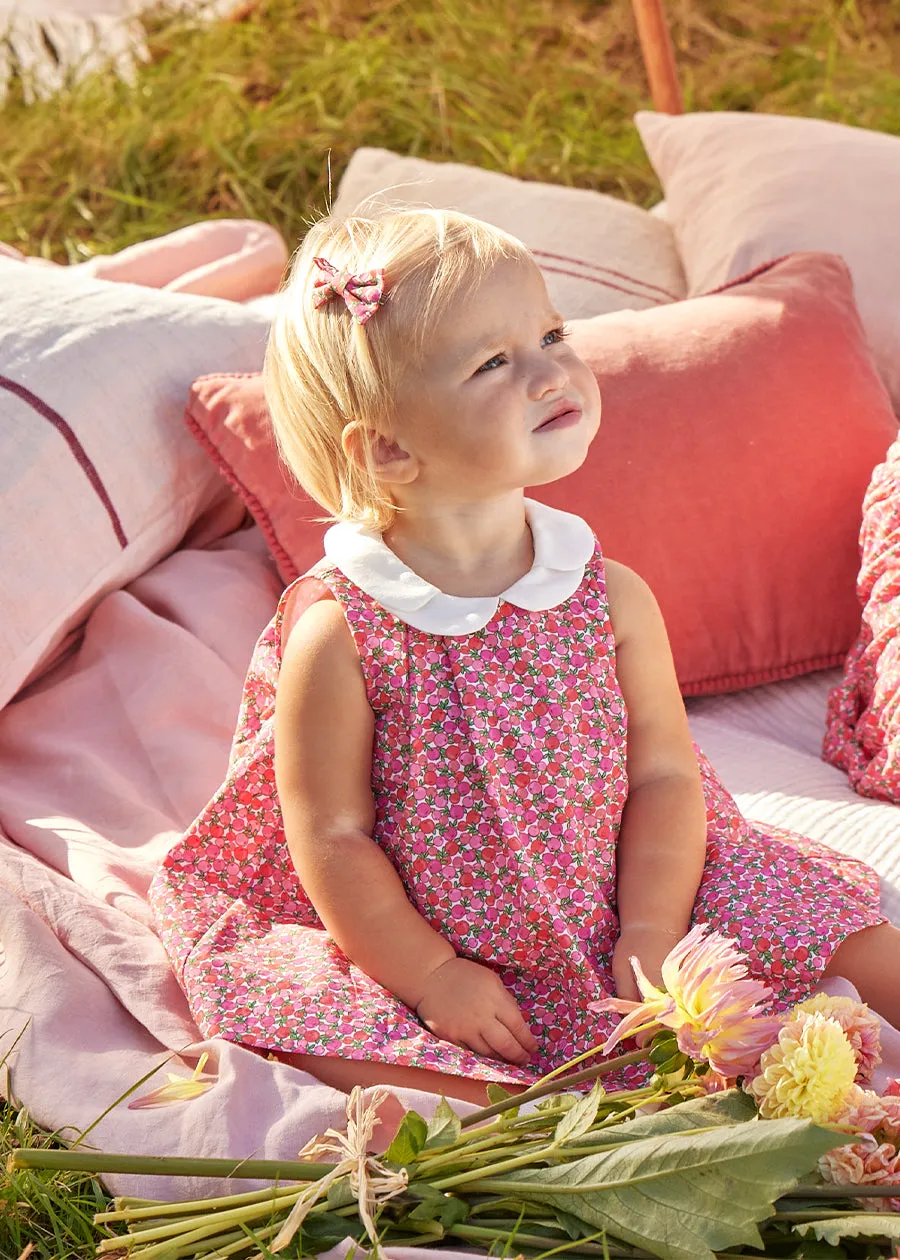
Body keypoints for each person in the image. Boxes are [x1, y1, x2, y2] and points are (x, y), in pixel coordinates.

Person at [150, 207, 900, 1107]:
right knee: (321, 1019)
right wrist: (431, 975)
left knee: (815, 908)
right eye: (494, 362)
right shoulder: (347, 632)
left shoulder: (603, 591)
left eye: (551, 333)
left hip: (635, 873)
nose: (552, 371)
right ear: (388, 448)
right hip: (442, 928)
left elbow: (664, 776)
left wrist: (653, 927)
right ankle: (537, 1128)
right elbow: (333, 839)